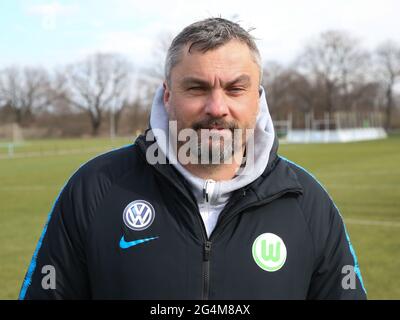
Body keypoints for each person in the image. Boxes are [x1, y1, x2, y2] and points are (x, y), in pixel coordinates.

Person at [19, 17, 367, 300]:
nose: (217, 108)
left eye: (235, 89)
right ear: (167, 95)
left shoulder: (308, 202)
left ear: (258, 99)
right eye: (197, 88)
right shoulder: (94, 189)